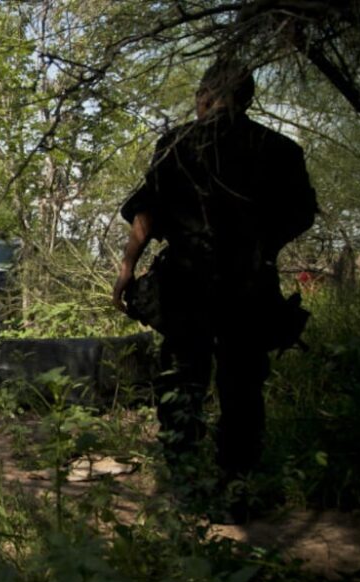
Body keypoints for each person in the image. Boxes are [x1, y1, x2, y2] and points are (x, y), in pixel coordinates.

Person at [112, 58, 317, 510]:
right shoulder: (280, 149)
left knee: (183, 380)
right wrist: (264, 247)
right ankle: (237, 484)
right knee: (242, 386)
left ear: (205, 96)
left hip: (187, 285)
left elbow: (146, 215)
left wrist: (127, 268)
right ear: (247, 99)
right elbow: (300, 214)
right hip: (248, 285)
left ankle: (185, 485)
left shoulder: (176, 144)